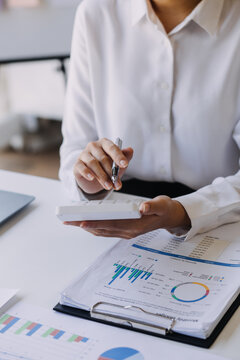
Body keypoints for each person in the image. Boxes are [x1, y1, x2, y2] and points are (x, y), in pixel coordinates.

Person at [59, 0, 240, 240]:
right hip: (117, 214)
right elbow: (74, 148)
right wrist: (88, 180)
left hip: (221, 215)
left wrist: (184, 212)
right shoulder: (96, 13)